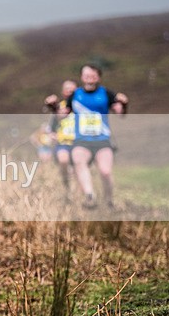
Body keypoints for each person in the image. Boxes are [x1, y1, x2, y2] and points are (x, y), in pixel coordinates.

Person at [47, 65, 128, 209]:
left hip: (102, 140)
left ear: (98, 77)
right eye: (86, 74)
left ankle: (109, 201)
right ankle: (89, 196)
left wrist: (124, 103)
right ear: (82, 77)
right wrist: (52, 107)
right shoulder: (75, 95)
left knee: (105, 171)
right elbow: (62, 115)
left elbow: (120, 113)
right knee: (79, 161)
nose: (90, 77)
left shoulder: (106, 93)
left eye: (93, 74)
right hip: (81, 141)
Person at [45, 80, 77, 195]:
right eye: (67, 89)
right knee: (63, 160)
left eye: (72, 90)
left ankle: (80, 193)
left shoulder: (82, 106)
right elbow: (51, 127)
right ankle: (66, 185)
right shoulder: (60, 107)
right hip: (63, 142)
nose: (70, 91)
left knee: (77, 168)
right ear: (63, 92)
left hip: (80, 143)